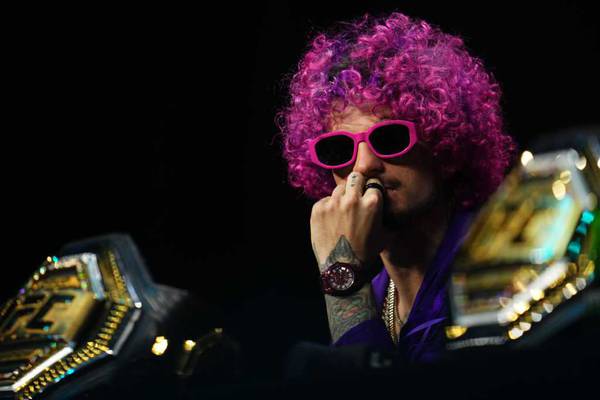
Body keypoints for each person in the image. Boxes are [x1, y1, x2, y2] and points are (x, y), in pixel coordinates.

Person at [274, 11, 518, 363]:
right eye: (338, 149)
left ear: (444, 145)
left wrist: (341, 275)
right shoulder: (375, 293)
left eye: (389, 138)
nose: (364, 165)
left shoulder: (494, 271)